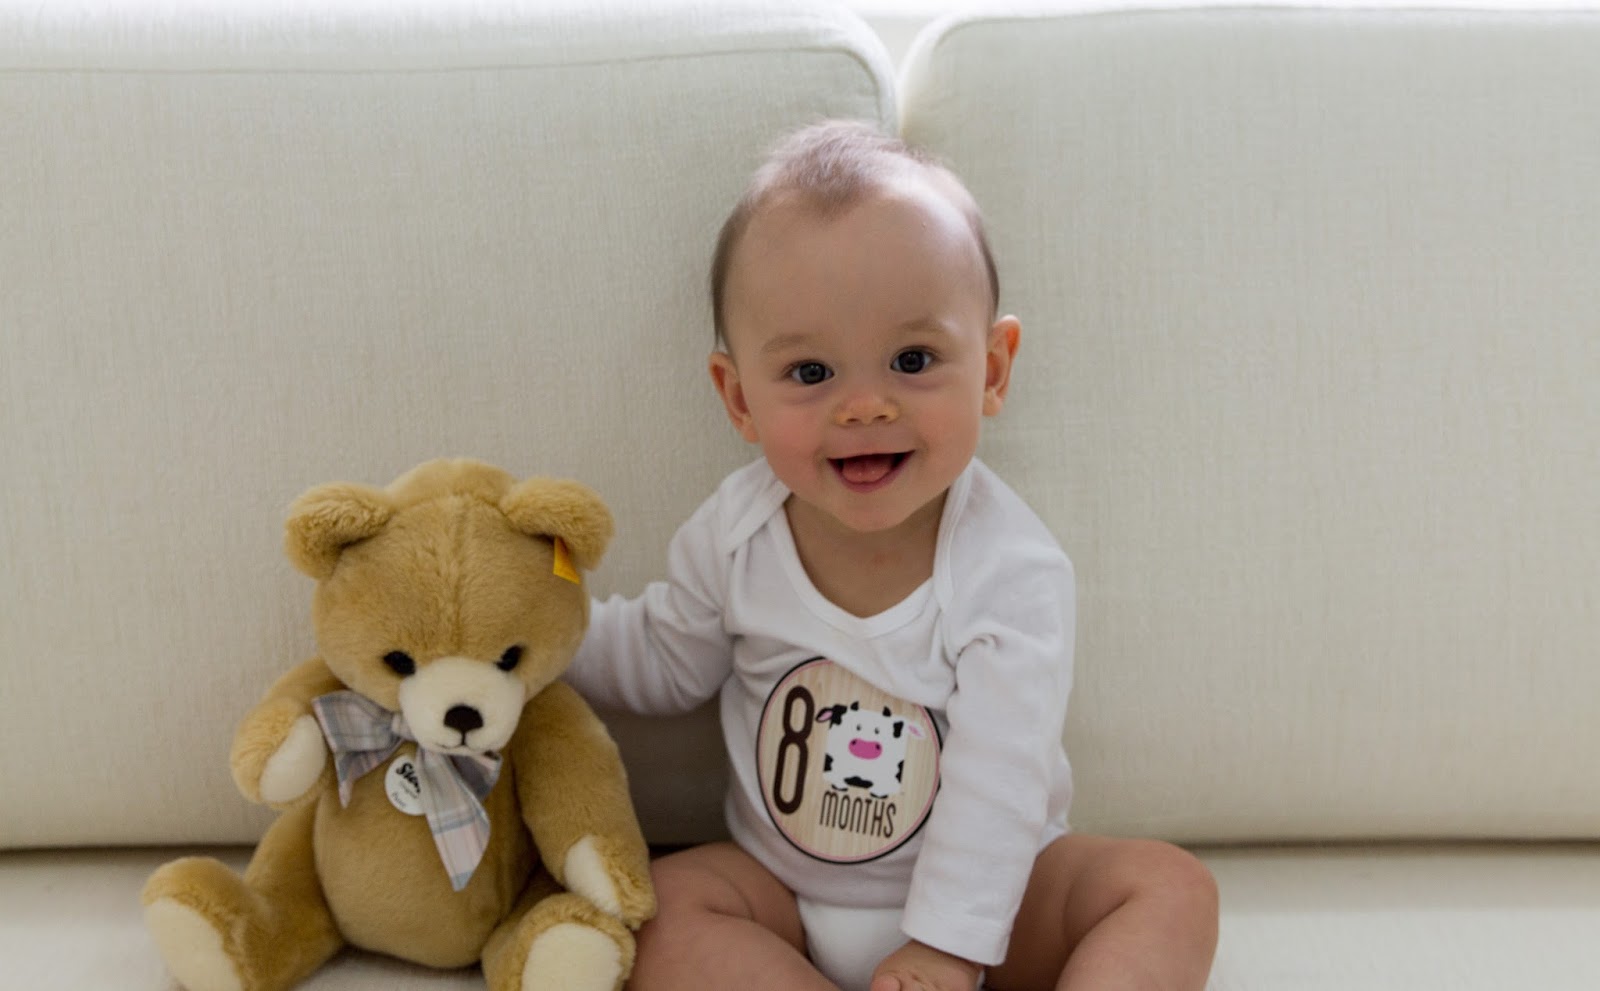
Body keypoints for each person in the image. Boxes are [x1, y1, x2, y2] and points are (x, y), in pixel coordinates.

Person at [564, 119, 1219, 991]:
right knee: (663, 906)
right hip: (786, 896)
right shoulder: (736, 532)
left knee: (1170, 887)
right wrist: (536, 633)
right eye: (810, 373)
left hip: (1001, 907)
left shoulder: (1009, 567)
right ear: (739, 397)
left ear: (992, 370)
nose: (865, 406)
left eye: (913, 359)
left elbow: (1001, 780)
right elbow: (661, 657)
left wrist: (947, 946)